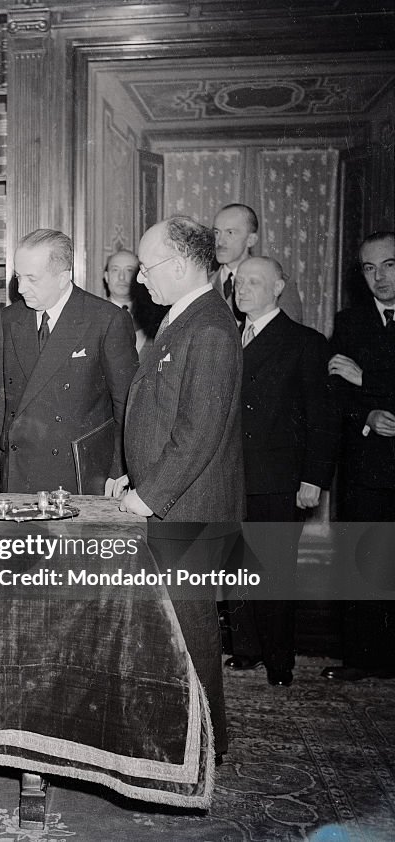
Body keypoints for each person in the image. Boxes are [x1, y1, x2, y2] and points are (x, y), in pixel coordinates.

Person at [113, 215, 245, 759]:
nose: (139, 279)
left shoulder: (209, 327)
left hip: (188, 506)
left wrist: (148, 494)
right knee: (171, 630)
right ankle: (182, 739)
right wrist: (134, 474)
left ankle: (207, 748)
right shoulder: (182, 318)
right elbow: (163, 412)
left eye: (147, 267)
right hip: (173, 498)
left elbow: (198, 433)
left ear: (184, 265)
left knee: (190, 633)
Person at [225, 257, 338, 686]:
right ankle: (246, 648)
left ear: (279, 287)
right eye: (238, 281)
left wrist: (314, 479)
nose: (242, 288)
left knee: (274, 570)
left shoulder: (304, 342)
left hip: (277, 478)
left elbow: (322, 418)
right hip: (230, 476)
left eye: (254, 282)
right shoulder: (227, 335)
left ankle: (279, 659)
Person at [0, 229, 137, 495]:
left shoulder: (106, 320)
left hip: (79, 471)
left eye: (32, 279)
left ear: (63, 277)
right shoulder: (9, 319)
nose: (20, 289)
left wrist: (118, 471)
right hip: (18, 466)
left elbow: (126, 405)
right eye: (18, 277)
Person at [322, 231, 395, 681]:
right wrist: (367, 409)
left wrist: (366, 380)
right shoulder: (349, 322)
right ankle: (364, 658)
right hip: (368, 465)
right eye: (369, 268)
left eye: (389, 264)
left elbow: (356, 378)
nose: (379, 277)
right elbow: (335, 391)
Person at [211, 203, 303, 323]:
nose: (220, 242)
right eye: (216, 232)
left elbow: (289, 334)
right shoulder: (203, 282)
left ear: (251, 240)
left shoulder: (276, 283)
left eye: (230, 233)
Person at [102, 248, 167, 357]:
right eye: (115, 270)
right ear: (106, 277)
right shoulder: (92, 314)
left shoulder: (156, 317)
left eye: (129, 270)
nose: (122, 277)